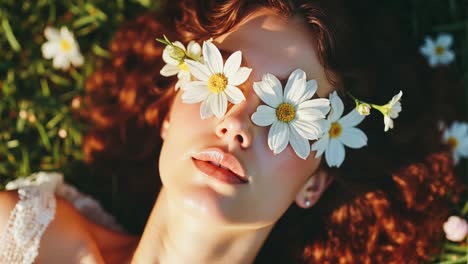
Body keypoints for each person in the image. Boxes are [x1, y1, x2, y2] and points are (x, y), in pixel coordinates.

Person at [0, 0, 465, 263]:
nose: (237, 125)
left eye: (289, 112)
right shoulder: (21, 236)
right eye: (221, 84)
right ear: (168, 112)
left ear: (315, 183)